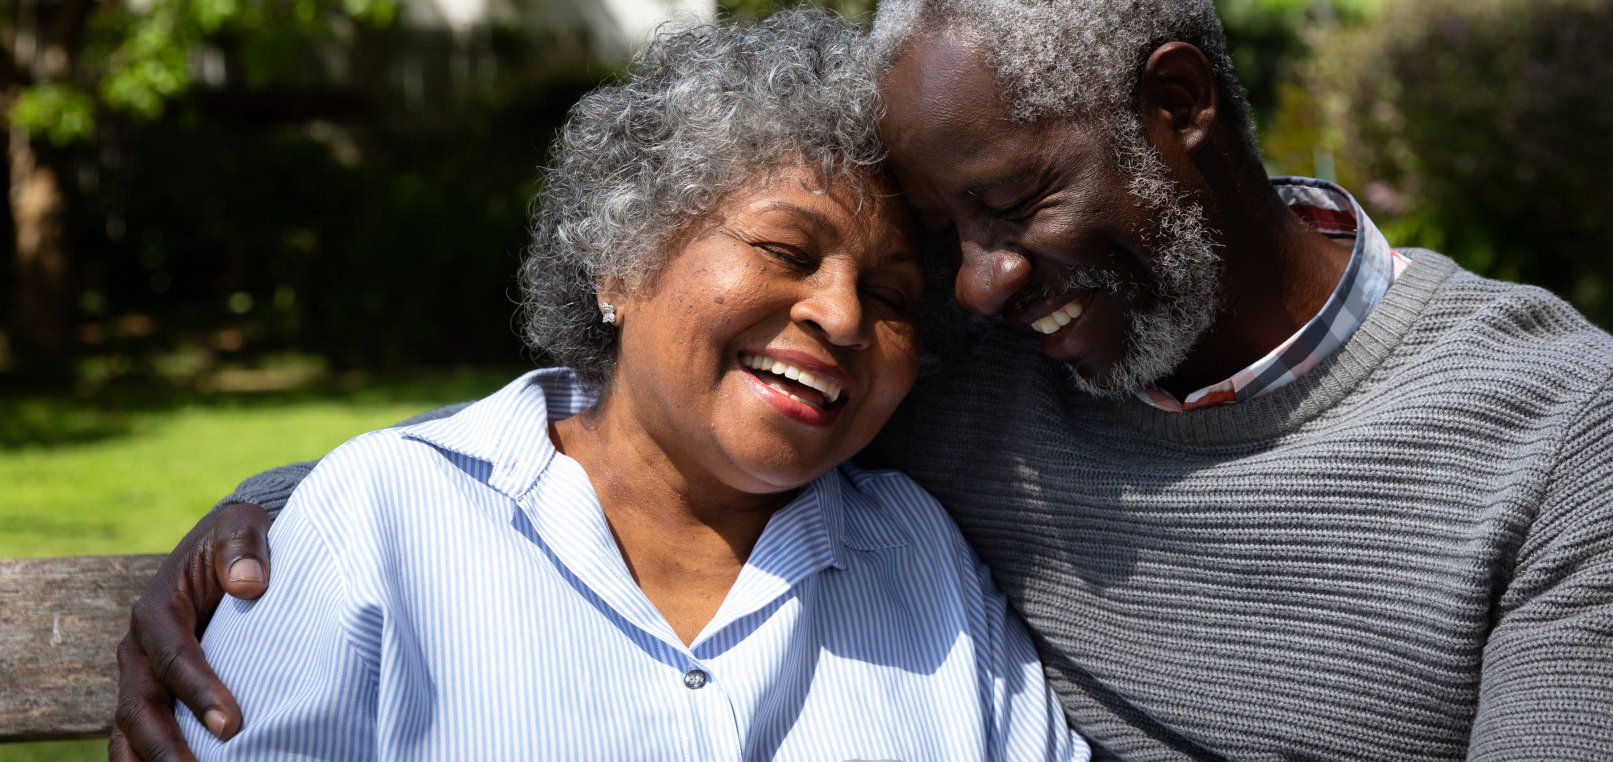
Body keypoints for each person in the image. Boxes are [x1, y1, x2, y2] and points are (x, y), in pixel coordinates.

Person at [115, 1, 1613, 760]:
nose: (973, 290)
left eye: (1011, 206)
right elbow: (643, 399)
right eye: (945, 239)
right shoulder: (971, 365)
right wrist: (283, 529)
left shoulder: (1557, 431)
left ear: (1179, 110)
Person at [139, 11, 1088, 761]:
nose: (842, 316)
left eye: (891, 297)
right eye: (784, 249)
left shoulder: (920, 556)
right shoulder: (384, 520)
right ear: (621, 263)